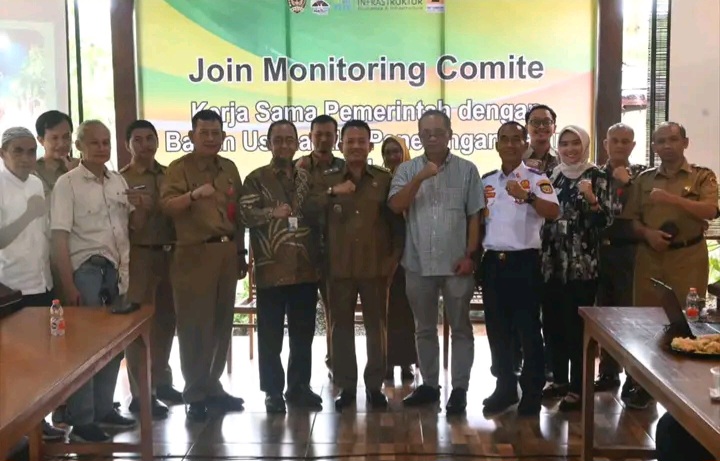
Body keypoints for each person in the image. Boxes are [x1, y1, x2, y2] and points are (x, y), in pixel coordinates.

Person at [51, 120, 146, 442]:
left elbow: (133, 226)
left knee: (113, 346)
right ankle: (82, 420)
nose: (102, 148)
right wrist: (68, 284)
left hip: (117, 271)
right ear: (79, 146)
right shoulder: (67, 183)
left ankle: (104, 409)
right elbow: (59, 237)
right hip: (86, 272)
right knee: (86, 348)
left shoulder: (117, 180)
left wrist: (141, 208)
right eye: (94, 142)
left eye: (106, 142)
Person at [389, 109, 484, 415]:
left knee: (461, 329)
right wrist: (419, 178)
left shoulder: (467, 170)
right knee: (424, 329)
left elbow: (474, 216)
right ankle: (430, 385)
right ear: (419, 136)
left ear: (449, 135)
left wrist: (470, 255)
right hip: (417, 263)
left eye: (438, 132)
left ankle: (459, 389)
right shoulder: (407, 170)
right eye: (426, 133)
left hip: (457, 264)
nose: (432, 138)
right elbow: (396, 205)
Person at [622, 122, 718, 409]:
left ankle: (686, 388)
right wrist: (647, 234)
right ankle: (641, 384)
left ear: (685, 143)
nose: (667, 145)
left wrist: (671, 199)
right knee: (645, 323)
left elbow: (710, 210)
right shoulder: (644, 179)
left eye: (673, 139)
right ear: (653, 146)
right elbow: (631, 219)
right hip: (650, 257)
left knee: (689, 322)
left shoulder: (702, 176)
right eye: (661, 141)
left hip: (688, 257)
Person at [160, 109, 247, 421]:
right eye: (204, 133)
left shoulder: (229, 168)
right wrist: (193, 195)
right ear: (191, 136)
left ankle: (213, 386)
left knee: (222, 324)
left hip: (226, 253)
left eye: (216, 133)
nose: (211, 138)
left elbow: (239, 214)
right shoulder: (179, 168)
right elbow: (166, 207)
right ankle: (194, 393)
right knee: (194, 327)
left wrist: (241, 252)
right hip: (193, 254)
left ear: (223, 136)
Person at [311, 120, 404, 411]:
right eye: (349, 142)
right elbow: (309, 209)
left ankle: (375, 386)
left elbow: (397, 225)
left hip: (375, 268)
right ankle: (347, 386)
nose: (355, 147)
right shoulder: (326, 179)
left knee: (378, 328)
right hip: (337, 268)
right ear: (340, 145)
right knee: (340, 330)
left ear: (370, 146)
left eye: (361, 141)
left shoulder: (383, 180)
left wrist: (392, 261)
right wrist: (332, 192)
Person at [239, 120, 323, 414]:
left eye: (289, 140)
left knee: (303, 335)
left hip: (306, 267)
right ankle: (273, 392)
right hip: (272, 269)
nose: (284, 145)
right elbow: (244, 215)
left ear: (298, 143)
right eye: (278, 140)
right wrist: (270, 213)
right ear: (269, 143)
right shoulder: (256, 178)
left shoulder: (308, 179)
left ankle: (299, 387)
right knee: (270, 336)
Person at [479, 122, 560, 416]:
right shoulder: (487, 180)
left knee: (528, 329)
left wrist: (527, 196)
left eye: (516, 139)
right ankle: (505, 387)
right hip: (493, 262)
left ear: (525, 144)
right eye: (505, 139)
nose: (510, 144)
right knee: (497, 330)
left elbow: (554, 211)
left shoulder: (536, 178)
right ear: (497, 145)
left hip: (524, 262)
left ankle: (532, 390)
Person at [0, 127, 66, 441]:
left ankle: (38, 423)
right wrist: (27, 215)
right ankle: (16, 429)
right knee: (16, 363)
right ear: (3, 153)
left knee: (41, 358)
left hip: (42, 281)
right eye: (18, 151)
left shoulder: (37, 183)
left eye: (30, 151)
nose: (26, 158)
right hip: (12, 287)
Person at [539, 125, 610, 412]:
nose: (570, 149)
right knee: (552, 324)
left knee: (576, 328)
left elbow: (606, 222)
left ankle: (579, 387)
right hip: (551, 263)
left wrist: (592, 199)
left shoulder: (597, 176)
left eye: (575, 143)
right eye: (564, 143)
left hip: (582, 266)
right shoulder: (551, 175)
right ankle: (558, 380)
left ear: (585, 145)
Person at [120, 120, 183, 419]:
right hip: (140, 256)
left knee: (167, 322)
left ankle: (161, 381)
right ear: (127, 145)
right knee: (139, 326)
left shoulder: (171, 174)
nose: (145, 145)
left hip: (171, 254)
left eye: (150, 138)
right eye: (138, 140)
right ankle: (141, 394)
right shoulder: (121, 179)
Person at [593, 123, 647, 396]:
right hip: (600, 251)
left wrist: (628, 184)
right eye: (614, 140)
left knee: (631, 315)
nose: (620, 145)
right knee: (604, 314)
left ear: (633, 145)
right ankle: (607, 371)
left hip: (631, 252)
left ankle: (635, 377)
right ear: (605, 144)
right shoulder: (593, 174)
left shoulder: (642, 176)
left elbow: (644, 210)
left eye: (626, 141)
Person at [295, 114, 344, 379]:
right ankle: (300, 380)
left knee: (336, 312)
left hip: (335, 250)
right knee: (303, 318)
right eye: (318, 134)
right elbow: (297, 205)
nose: (324, 139)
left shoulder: (344, 168)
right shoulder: (298, 167)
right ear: (310, 137)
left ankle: (336, 362)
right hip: (303, 251)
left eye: (329, 134)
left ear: (336, 137)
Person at [380, 136, 416, 382]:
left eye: (397, 151)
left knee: (407, 313)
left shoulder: (414, 180)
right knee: (385, 313)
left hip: (411, 254)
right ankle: (386, 362)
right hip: (384, 256)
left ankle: (406, 363)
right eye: (388, 152)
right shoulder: (380, 182)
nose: (393, 156)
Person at [33, 110, 79, 195]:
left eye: (66, 137)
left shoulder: (82, 167)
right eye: (54, 138)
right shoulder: (32, 171)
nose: (61, 144)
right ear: (41, 140)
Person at [523, 104, 560, 176]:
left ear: (554, 128)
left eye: (547, 122)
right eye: (535, 122)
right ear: (526, 127)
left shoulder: (562, 159)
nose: (541, 126)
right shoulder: (518, 158)